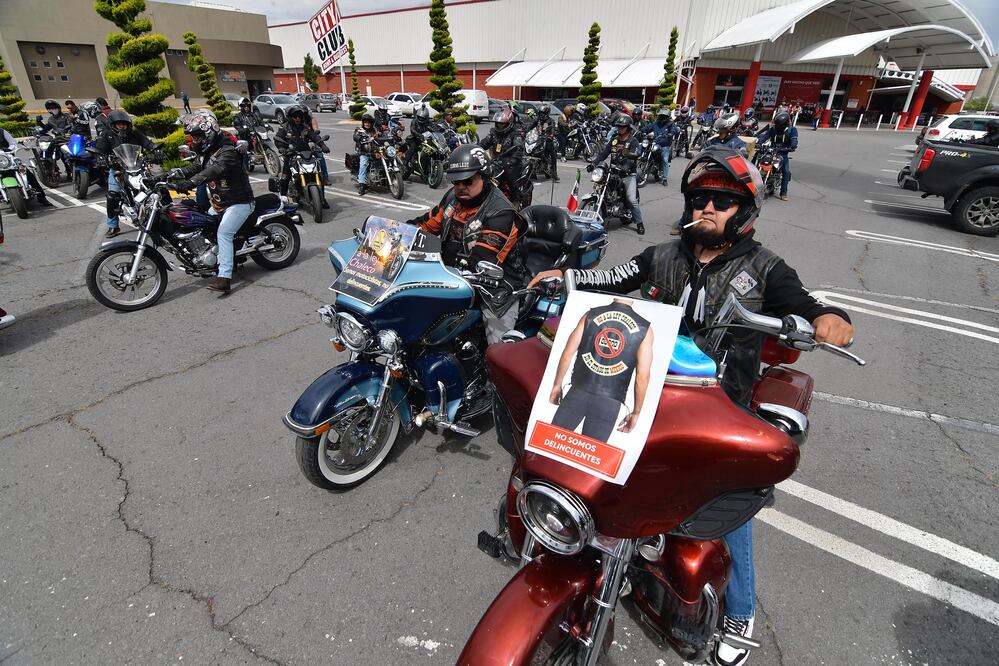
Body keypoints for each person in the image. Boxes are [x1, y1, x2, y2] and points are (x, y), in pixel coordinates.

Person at [529, 147, 854, 666]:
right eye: (701, 197)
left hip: (722, 405)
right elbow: (609, 281)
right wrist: (564, 280)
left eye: (722, 201)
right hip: (654, 393)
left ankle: (739, 610)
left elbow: (805, 305)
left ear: (744, 210)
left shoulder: (765, 268)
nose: (708, 207)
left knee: (731, 509)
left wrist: (827, 317)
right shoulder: (663, 254)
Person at [403, 144, 528, 344]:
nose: (461, 186)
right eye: (455, 181)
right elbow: (426, 223)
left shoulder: (500, 212)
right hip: (451, 278)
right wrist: (394, 232)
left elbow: (482, 261)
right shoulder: (453, 199)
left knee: (498, 351)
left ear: (484, 176)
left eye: (467, 181)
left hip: (495, 288)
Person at [169, 113, 254, 293]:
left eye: (198, 136)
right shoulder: (209, 152)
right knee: (202, 222)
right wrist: (171, 175)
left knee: (223, 233)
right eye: (194, 136)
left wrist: (190, 183)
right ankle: (222, 257)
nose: (195, 140)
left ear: (209, 133)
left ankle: (224, 277)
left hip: (238, 202)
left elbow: (215, 170)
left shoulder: (227, 151)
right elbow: (197, 167)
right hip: (221, 204)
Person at [549, 298, 654, 440]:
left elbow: (567, 354)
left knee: (552, 444)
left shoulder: (591, 315)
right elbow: (642, 377)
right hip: (609, 404)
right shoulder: (644, 329)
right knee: (589, 456)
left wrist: (557, 385)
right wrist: (636, 412)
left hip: (578, 392)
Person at [94, 110, 159, 237]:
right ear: (113, 125)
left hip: (138, 168)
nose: (122, 126)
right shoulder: (107, 135)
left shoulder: (134, 133)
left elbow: (147, 143)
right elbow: (100, 149)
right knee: (112, 196)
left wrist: (155, 150)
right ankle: (113, 225)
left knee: (153, 191)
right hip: (118, 169)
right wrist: (100, 157)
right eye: (119, 124)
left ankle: (156, 220)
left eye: (124, 124)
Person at [592, 114, 645, 235]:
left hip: (627, 174)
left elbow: (633, 158)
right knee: (601, 189)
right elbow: (604, 153)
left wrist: (625, 168)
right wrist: (594, 163)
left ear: (628, 127)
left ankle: (639, 223)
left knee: (631, 199)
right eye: (618, 126)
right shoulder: (614, 139)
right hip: (613, 172)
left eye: (622, 127)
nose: (619, 128)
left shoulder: (633, 141)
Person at [275, 105, 330, 205]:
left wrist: (322, 145)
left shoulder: (304, 128)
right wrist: (282, 148)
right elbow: (278, 139)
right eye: (295, 116)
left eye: (299, 116)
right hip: (291, 155)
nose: (297, 118)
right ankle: (282, 199)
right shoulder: (284, 128)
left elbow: (314, 137)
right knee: (285, 178)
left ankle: (322, 198)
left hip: (306, 155)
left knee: (319, 175)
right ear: (290, 117)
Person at [479, 108, 528, 208]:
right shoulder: (493, 132)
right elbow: (485, 142)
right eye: (498, 123)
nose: (500, 125)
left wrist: (512, 161)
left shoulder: (515, 133)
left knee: (510, 178)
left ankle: (516, 199)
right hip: (496, 161)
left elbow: (518, 149)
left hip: (511, 162)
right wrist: (476, 148)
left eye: (503, 123)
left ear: (508, 123)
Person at [0, 129, 52, 207]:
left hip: (8, 158)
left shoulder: (2, 131)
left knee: (27, 173)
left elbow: (13, 143)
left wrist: (9, 149)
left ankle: (41, 197)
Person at [757, 110, 798, 201]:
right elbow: (764, 137)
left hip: (783, 153)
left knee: (786, 172)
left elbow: (794, 139)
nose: (775, 126)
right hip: (771, 151)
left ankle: (783, 192)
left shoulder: (792, 130)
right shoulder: (773, 129)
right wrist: (759, 143)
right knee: (758, 165)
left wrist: (793, 146)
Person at [349, 111, 380, 196]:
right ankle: (362, 186)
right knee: (363, 164)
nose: (367, 124)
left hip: (374, 151)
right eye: (365, 122)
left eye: (369, 122)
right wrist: (359, 138)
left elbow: (379, 137)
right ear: (363, 122)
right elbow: (355, 136)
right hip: (363, 152)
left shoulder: (374, 130)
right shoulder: (359, 130)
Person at [649, 109, 679, 186]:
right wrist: (640, 130)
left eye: (664, 116)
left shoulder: (671, 124)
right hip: (655, 144)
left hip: (665, 145)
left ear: (667, 117)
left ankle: (665, 178)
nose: (662, 118)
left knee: (665, 160)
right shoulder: (656, 124)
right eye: (661, 116)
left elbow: (674, 130)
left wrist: (671, 133)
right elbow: (647, 128)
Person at [232, 97, 264, 171]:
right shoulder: (238, 116)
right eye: (244, 107)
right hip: (244, 136)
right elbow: (237, 125)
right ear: (241, 107)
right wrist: (243, 130)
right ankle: (245, 169)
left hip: (256, 134)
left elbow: (260, 121)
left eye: (247, 106)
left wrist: (265, 125)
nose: (246, 108)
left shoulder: (254, 115)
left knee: (264, 141)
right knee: (245, 150)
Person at [403, 105, 433, 176]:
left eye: (423, 118)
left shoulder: (428, 122)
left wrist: (438, 131)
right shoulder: (415, 121)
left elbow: (434, 128)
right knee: (414, 147)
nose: (421, 119)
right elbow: (412, 130)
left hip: (425, 140)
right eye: (420, 117)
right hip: (414, 138)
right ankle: (405, 163)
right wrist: (420, 135)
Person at [535, 103, 559, 181]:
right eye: (540, 113)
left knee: (553, 155)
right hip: (537, 139)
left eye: (543, 113)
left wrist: (552, 134)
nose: (541, 115)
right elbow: (530, 125)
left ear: (547, 113)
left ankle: (554, 173)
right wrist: (524, 130)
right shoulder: (537, 120)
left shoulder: (550, 121)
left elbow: (553, 129)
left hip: (547, 139)